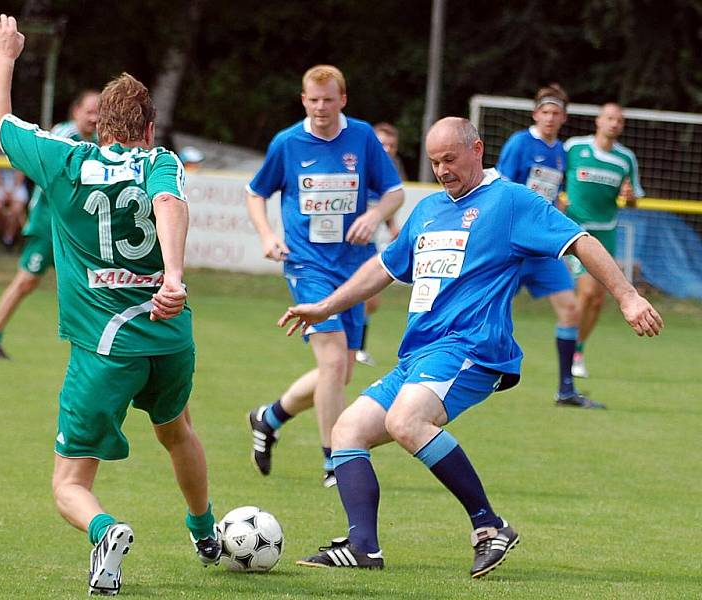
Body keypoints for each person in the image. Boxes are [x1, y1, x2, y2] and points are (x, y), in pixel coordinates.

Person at [278, 117, 662, 577]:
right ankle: (363, 546)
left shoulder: (511, 201)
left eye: (450, 159)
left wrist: (627, 295)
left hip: (471, 347)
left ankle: (489, 525)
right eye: (435, 161)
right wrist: (326, 306)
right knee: (346, 432)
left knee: (406, 421)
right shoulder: (428, 210)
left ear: (477, 150)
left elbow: (580, 241)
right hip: (420, 353)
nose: (442, 170)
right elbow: (384, 267)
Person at [0, 15, 220, 596]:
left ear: (99, 123)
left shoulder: (62, 159)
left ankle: (105, 531)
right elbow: (167, 203)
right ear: (149, 125)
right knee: (178, 429)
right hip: (169, 337)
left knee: (69, 483)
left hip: (105, 349)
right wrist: (174, 277)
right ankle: (204, 530)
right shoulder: (162, 162)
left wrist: (6, 55)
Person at [245, 65, 404, 488]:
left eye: (328, 100)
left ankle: (269, 416)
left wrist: (374, 215)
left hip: (354, 267)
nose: (320, 108)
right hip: (307, 265)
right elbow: (255, 191)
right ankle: (336, 460)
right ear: (303, 100)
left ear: (343, 100)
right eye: (313, 100)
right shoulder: (288, 142)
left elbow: (395, 192)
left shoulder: (363, 137)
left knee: (341, 372)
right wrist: (266, 235)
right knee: (333, 361)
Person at [496, 85, 600, 408]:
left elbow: (556, 196)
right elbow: (500, 189)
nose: (551, 118)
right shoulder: (519, 144)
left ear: (564, 117)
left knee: (570, 309)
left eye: (556, 113)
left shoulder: (561, 153)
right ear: (535, 113)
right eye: (546, 112)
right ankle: (469, 369)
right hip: (512, 246)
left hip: (543, 249)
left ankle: (566, 389)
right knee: (489, 309)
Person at [0, 89, 99, 359]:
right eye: (90, 111)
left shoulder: (101, 141)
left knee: (91, 284)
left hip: (76, 229)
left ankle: (98, 346)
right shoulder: (64, 136)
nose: (95, 117)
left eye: (99, 111)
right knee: (26, 281)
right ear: (76, 111)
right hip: (49, 226)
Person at [564, 103, 644, 379]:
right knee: (586, 293)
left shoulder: (626, 159)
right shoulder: (574, 148)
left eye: (619, 120)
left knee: (597, 300)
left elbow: (633, 202)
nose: (614, 123)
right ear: (599, 120)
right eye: (609, 118)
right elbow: (555, 177)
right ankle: (570, 349)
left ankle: (577, 349)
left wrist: (630, 196)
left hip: (606, 232)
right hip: (576, 232)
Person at [355, 122, 404, 366]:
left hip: (370, 241)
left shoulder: (390, 172)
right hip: (351, 242)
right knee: (365, 296)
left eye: (392, 145)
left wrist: (392, 225)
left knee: (370, 300)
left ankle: (354, 345)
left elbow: (388, 203)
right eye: (381, 143)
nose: (387, 149)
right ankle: (355, 348)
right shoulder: (358, 166)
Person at [0, 145, 29, 250]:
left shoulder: (18, 149)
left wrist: (12, 190)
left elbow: (21, 173)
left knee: (16, 210)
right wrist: (3, 190)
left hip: (16, 185)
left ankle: (8, 238)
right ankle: (7, 232)